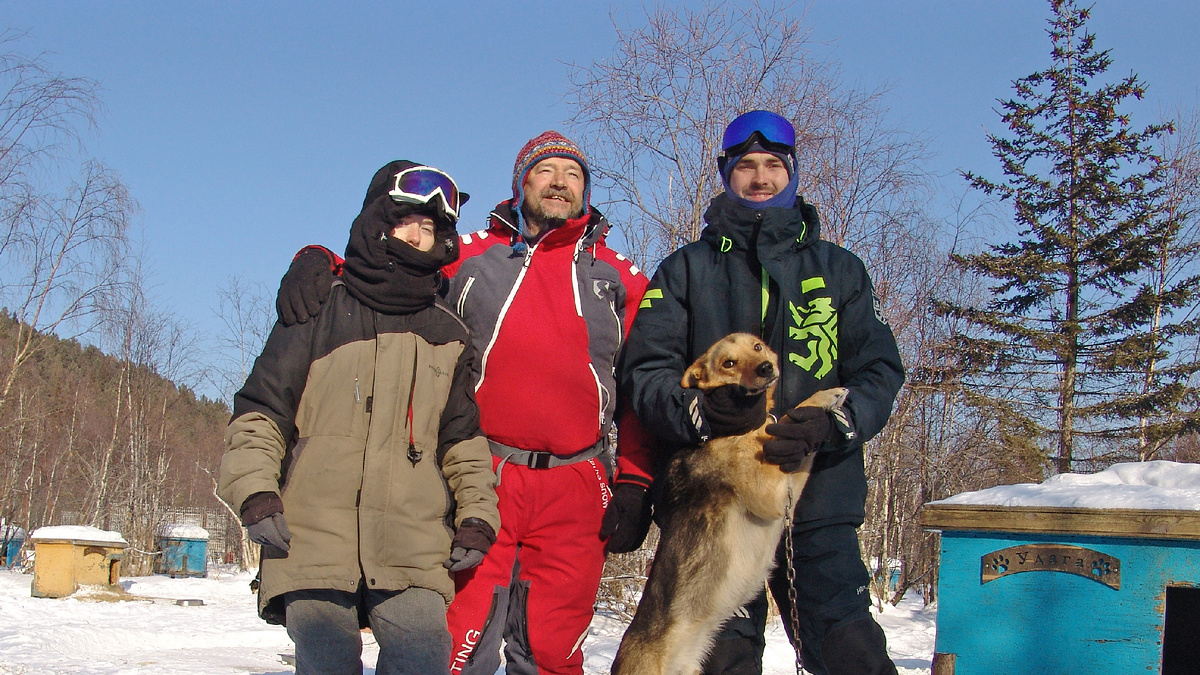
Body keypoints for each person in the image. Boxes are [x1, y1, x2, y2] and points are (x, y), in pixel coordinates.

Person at [273, 132, 655, 675]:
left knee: (553, 650)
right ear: (521, 184)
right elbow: (389, 272)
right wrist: (318, 259)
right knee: (456, 647)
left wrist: (636, 482)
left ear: (586, 192)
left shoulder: (620, 277)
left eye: (573, 174)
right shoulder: (472, 255)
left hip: (577, 479)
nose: (559, 183)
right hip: (482, 472)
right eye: (544, 171)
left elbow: (641, 389)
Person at [619, 110, 905, 675]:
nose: (760, 177)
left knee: (852, 652)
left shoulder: (839, 270)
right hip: (712, 500)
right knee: (720, 659)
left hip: (818, 491)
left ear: (792, 173)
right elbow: (643, 373)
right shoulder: (684, 270)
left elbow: (879, 369)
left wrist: (836, 424)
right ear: (727, 174)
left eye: (774, 164)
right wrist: (699, 412)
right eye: (746, 165)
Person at [219, 161, 501, 675]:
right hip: (310, 537)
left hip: (412, 547)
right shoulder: (318, 306)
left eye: (431, 228)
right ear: (378, 222)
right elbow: (263, 411)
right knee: (327, 661)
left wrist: (478, 516)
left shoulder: (450, 334)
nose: (419, 236)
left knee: (422, 659)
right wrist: (255, 493)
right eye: (407, 222)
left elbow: (463, 443)